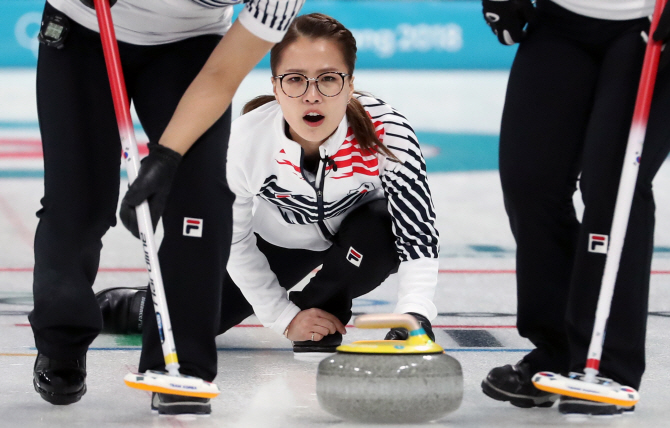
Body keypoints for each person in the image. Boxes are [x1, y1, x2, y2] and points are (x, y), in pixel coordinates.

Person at [99, 12, 441, 364]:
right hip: (276, 244)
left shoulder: (388, 131)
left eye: (328, 79)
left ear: (350, 83)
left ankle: (320, 315)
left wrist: (415, 314)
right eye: (295, 80)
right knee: (193, 318)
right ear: (275, 87)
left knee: (383, 226)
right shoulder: (246, 141)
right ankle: (136, 304)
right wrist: (283, 318)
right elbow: (234, 238)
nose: (312, 96)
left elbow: (418, 233)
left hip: (361, 236)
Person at [30, 0, 303, 415]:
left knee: (200, 200)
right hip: (85, 30)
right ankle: (61, 341)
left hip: (191, 46)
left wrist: (167, 158)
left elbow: (221, 75)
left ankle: (184, 364)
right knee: (78, 204)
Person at [479, 0, 670, 416]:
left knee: (613, 187)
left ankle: (608, 364)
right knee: (531, 182)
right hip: (559, 21)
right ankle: (556, 350)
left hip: (649, 25)